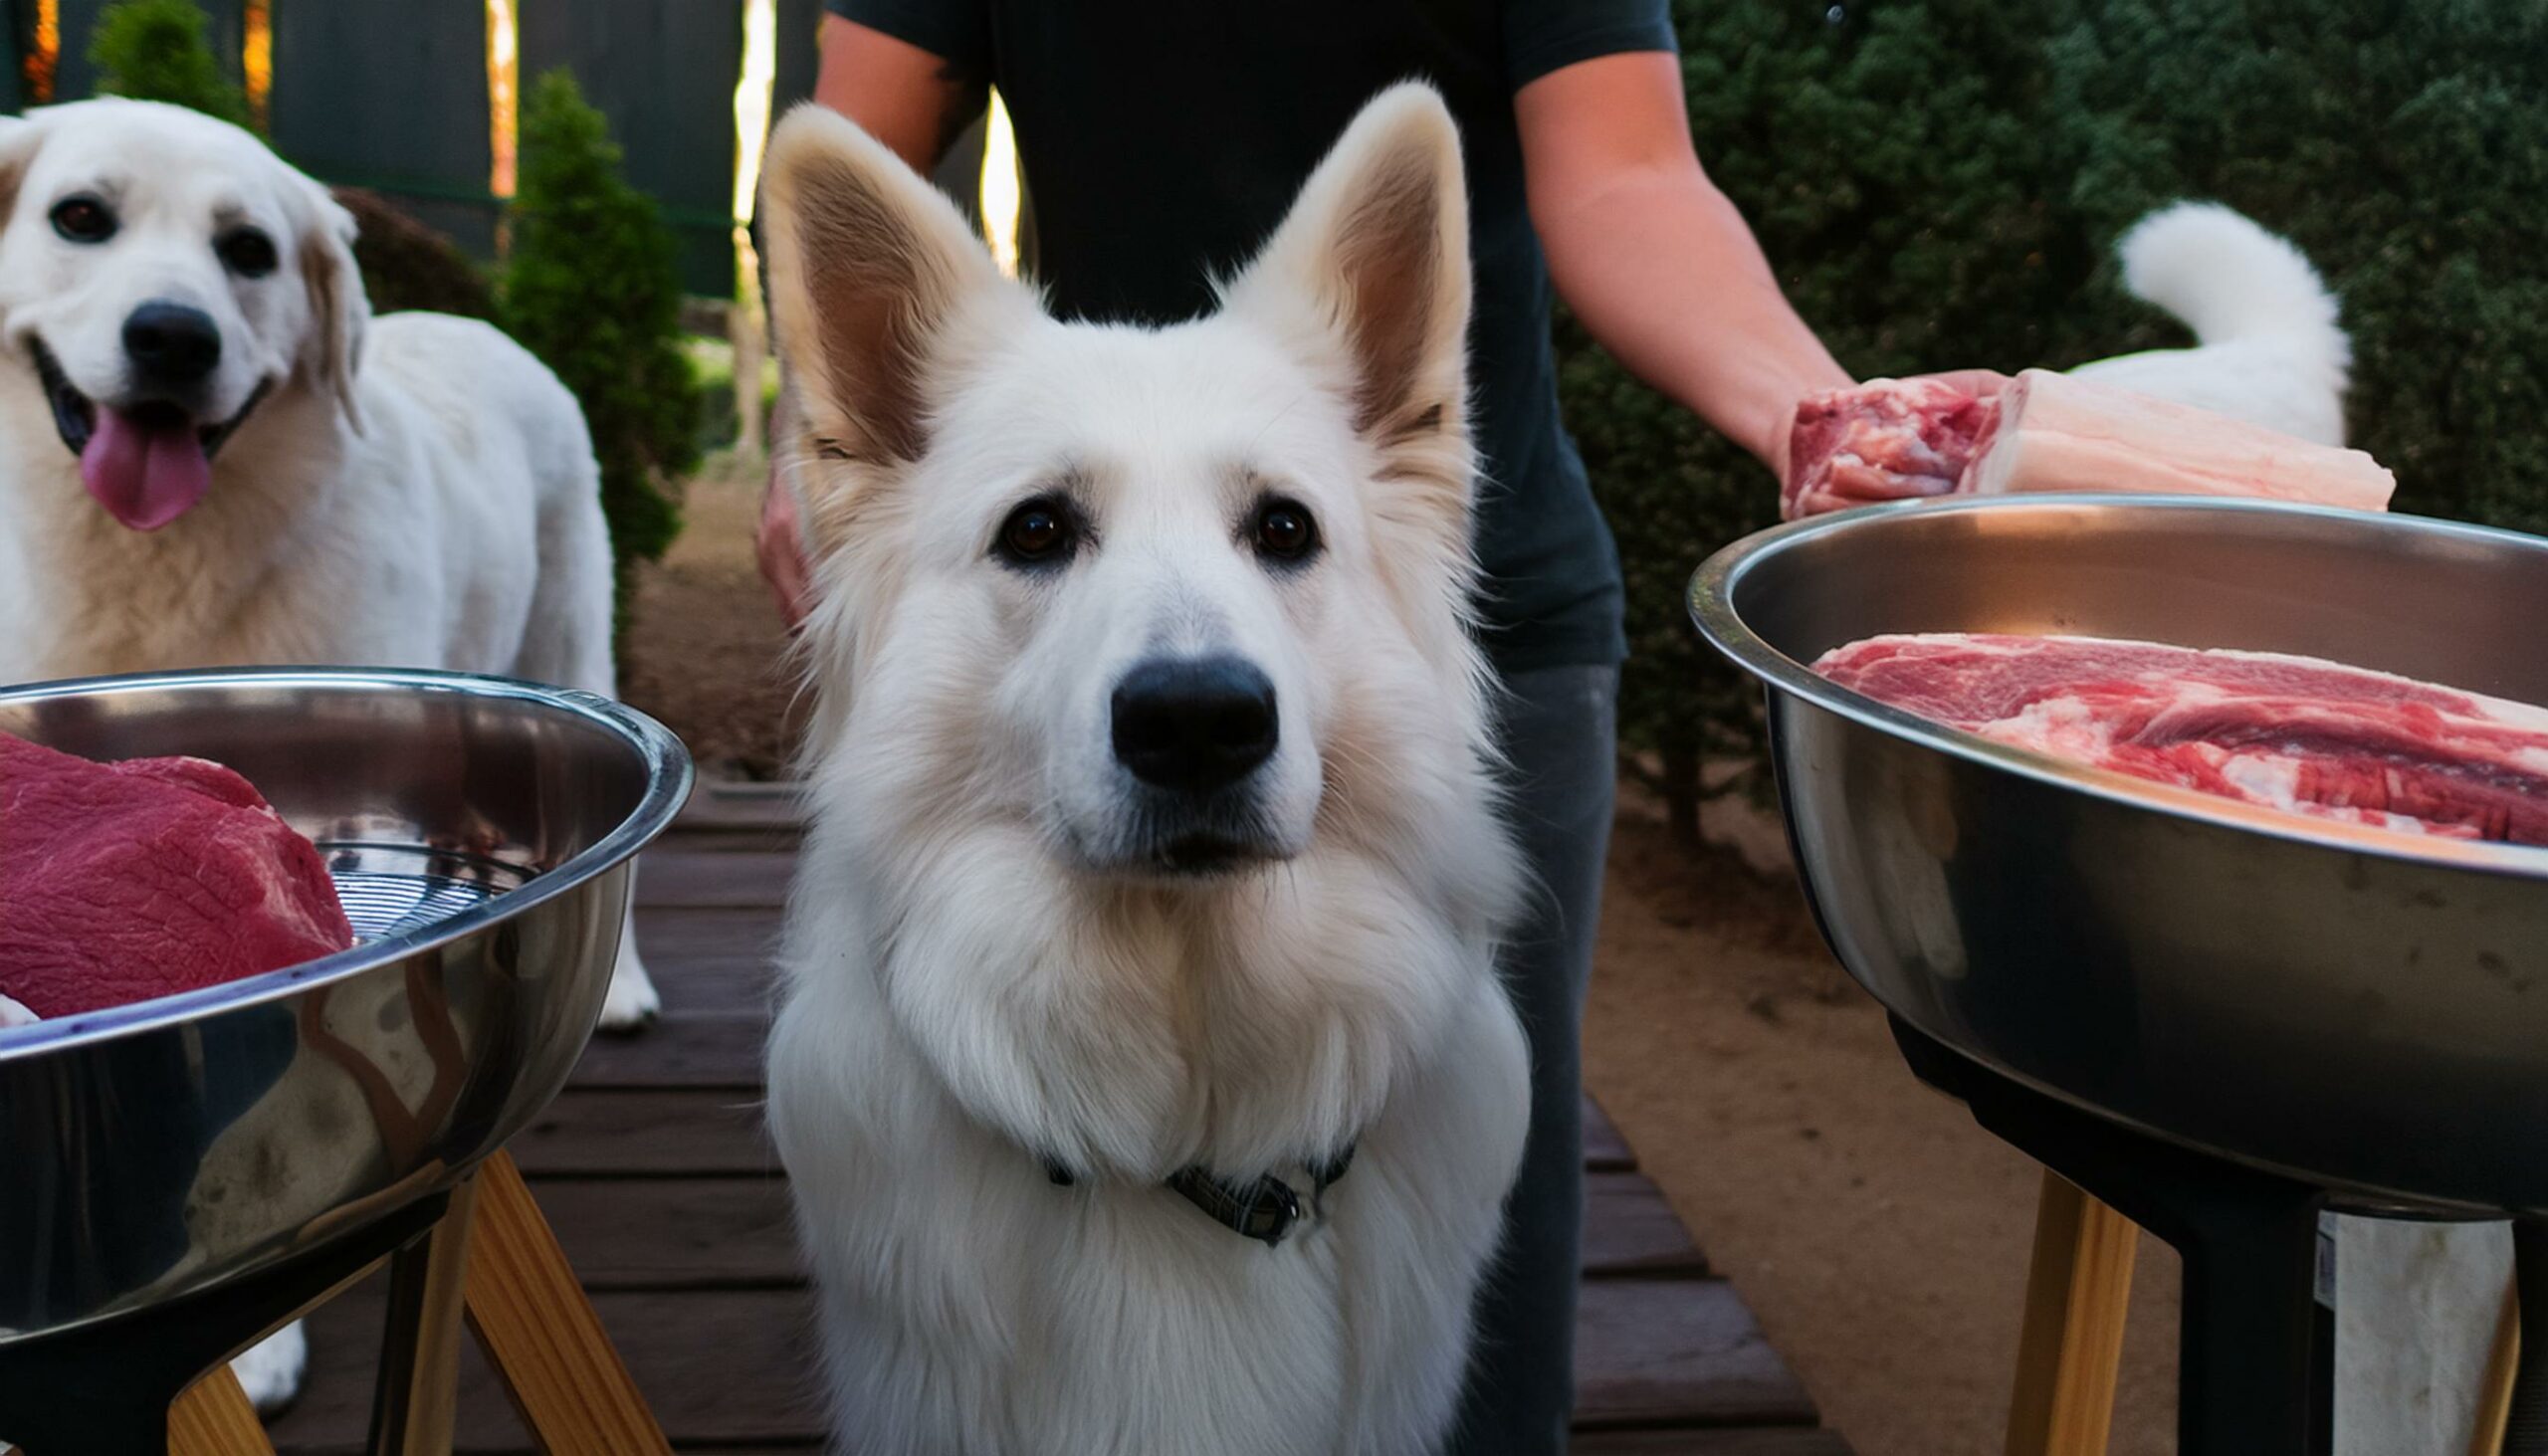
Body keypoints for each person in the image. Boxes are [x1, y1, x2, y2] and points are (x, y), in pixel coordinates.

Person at [755, 5, 1863, 1450]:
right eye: (1044, 534)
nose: (1201, 678)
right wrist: (846, 448)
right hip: (1056, 412)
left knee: (1484, 1184)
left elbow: (1627, 174)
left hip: (1457, 600)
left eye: (1273, 529)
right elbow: (854, 138)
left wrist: (1843, 427)